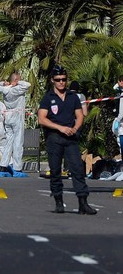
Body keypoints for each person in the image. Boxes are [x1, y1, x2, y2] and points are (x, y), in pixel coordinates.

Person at [38, 65, 97, 215]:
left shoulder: (73, 97)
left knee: (77, 169)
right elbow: (42, 119)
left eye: (64, 79)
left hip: (71, 138)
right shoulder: (48, 98)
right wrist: (59, 128)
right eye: (58, 80)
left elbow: (80, 116)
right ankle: (58, 200)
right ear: (53, 80)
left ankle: (83, 202)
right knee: (56, 170)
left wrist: (75, 129)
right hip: (54, 137)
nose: (61, 82)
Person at [0, 72, 31, 177]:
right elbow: (28, 85)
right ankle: (17, 168)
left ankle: (4, 166)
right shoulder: (16, 90)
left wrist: (6, 83)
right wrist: (17, 82)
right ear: (15, 80)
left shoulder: (5, 90)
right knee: (18, 143)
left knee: (8, 142)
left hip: (8, 116)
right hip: (17, 116)